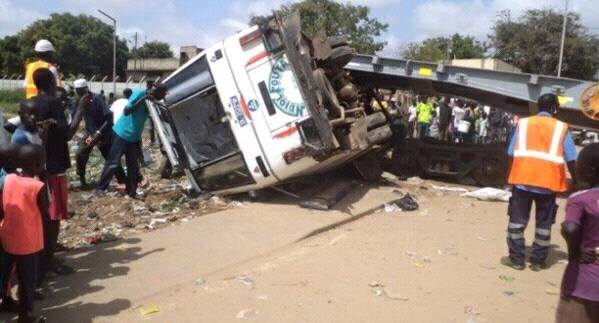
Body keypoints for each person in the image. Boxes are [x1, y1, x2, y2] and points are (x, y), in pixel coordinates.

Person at [504, 93, 578, 271]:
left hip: (522, 180)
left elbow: (510, 153)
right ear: (554, 108)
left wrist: (508, 177)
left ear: (538, 107)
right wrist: (577, 182)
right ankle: (537, 261)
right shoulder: (561, 127)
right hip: (548, 184)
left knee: (516, 222)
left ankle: (517, 260)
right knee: (543, 226)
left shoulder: (524, 123)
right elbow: (572, 158)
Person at [32, 68, 84, 281]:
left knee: (43, 214)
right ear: (53, 82)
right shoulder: (53, 103)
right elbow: (68, 133)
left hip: (36, 165)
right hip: (54, 166)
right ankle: (48, 262)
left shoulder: (31, 102)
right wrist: (80, 109)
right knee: (54, 216)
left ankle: (42, 258)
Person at [0, 145, 48, 322]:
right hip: (27, 242)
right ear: (37, 165)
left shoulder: (9, 179)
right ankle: (25, 315)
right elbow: (45, 212)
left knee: (6, 273)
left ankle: (5, 301)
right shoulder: (37, 186)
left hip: (7, 235)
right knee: (27, 279)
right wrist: (43, 177)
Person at [96, 83, 167, 198]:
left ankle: (131, 191)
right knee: (113, 162)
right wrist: (144, 98)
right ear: (155, 92)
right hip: (122, 133)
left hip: (134, 137)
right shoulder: (140, 93)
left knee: (133, 166)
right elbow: (126, 110)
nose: (161, 98)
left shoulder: (152, 101)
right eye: (161, 95)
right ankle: (100, 188)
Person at [555, 143, 599, 323]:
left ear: (590, 171)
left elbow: (570, 228)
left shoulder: (580, 199)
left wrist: (574, 252)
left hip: (584, 281)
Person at [73, 79, 125, 187]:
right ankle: (83, 181)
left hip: (103, 133)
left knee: (110, 158)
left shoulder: (97, 99)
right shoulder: (79, 101)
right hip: (89, 133)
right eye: (77, 91)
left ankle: (123, 180)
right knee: (80, 154)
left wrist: (99, 133)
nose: (79, 93)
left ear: (85, 89)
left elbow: (109, 118)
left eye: (81, 91)